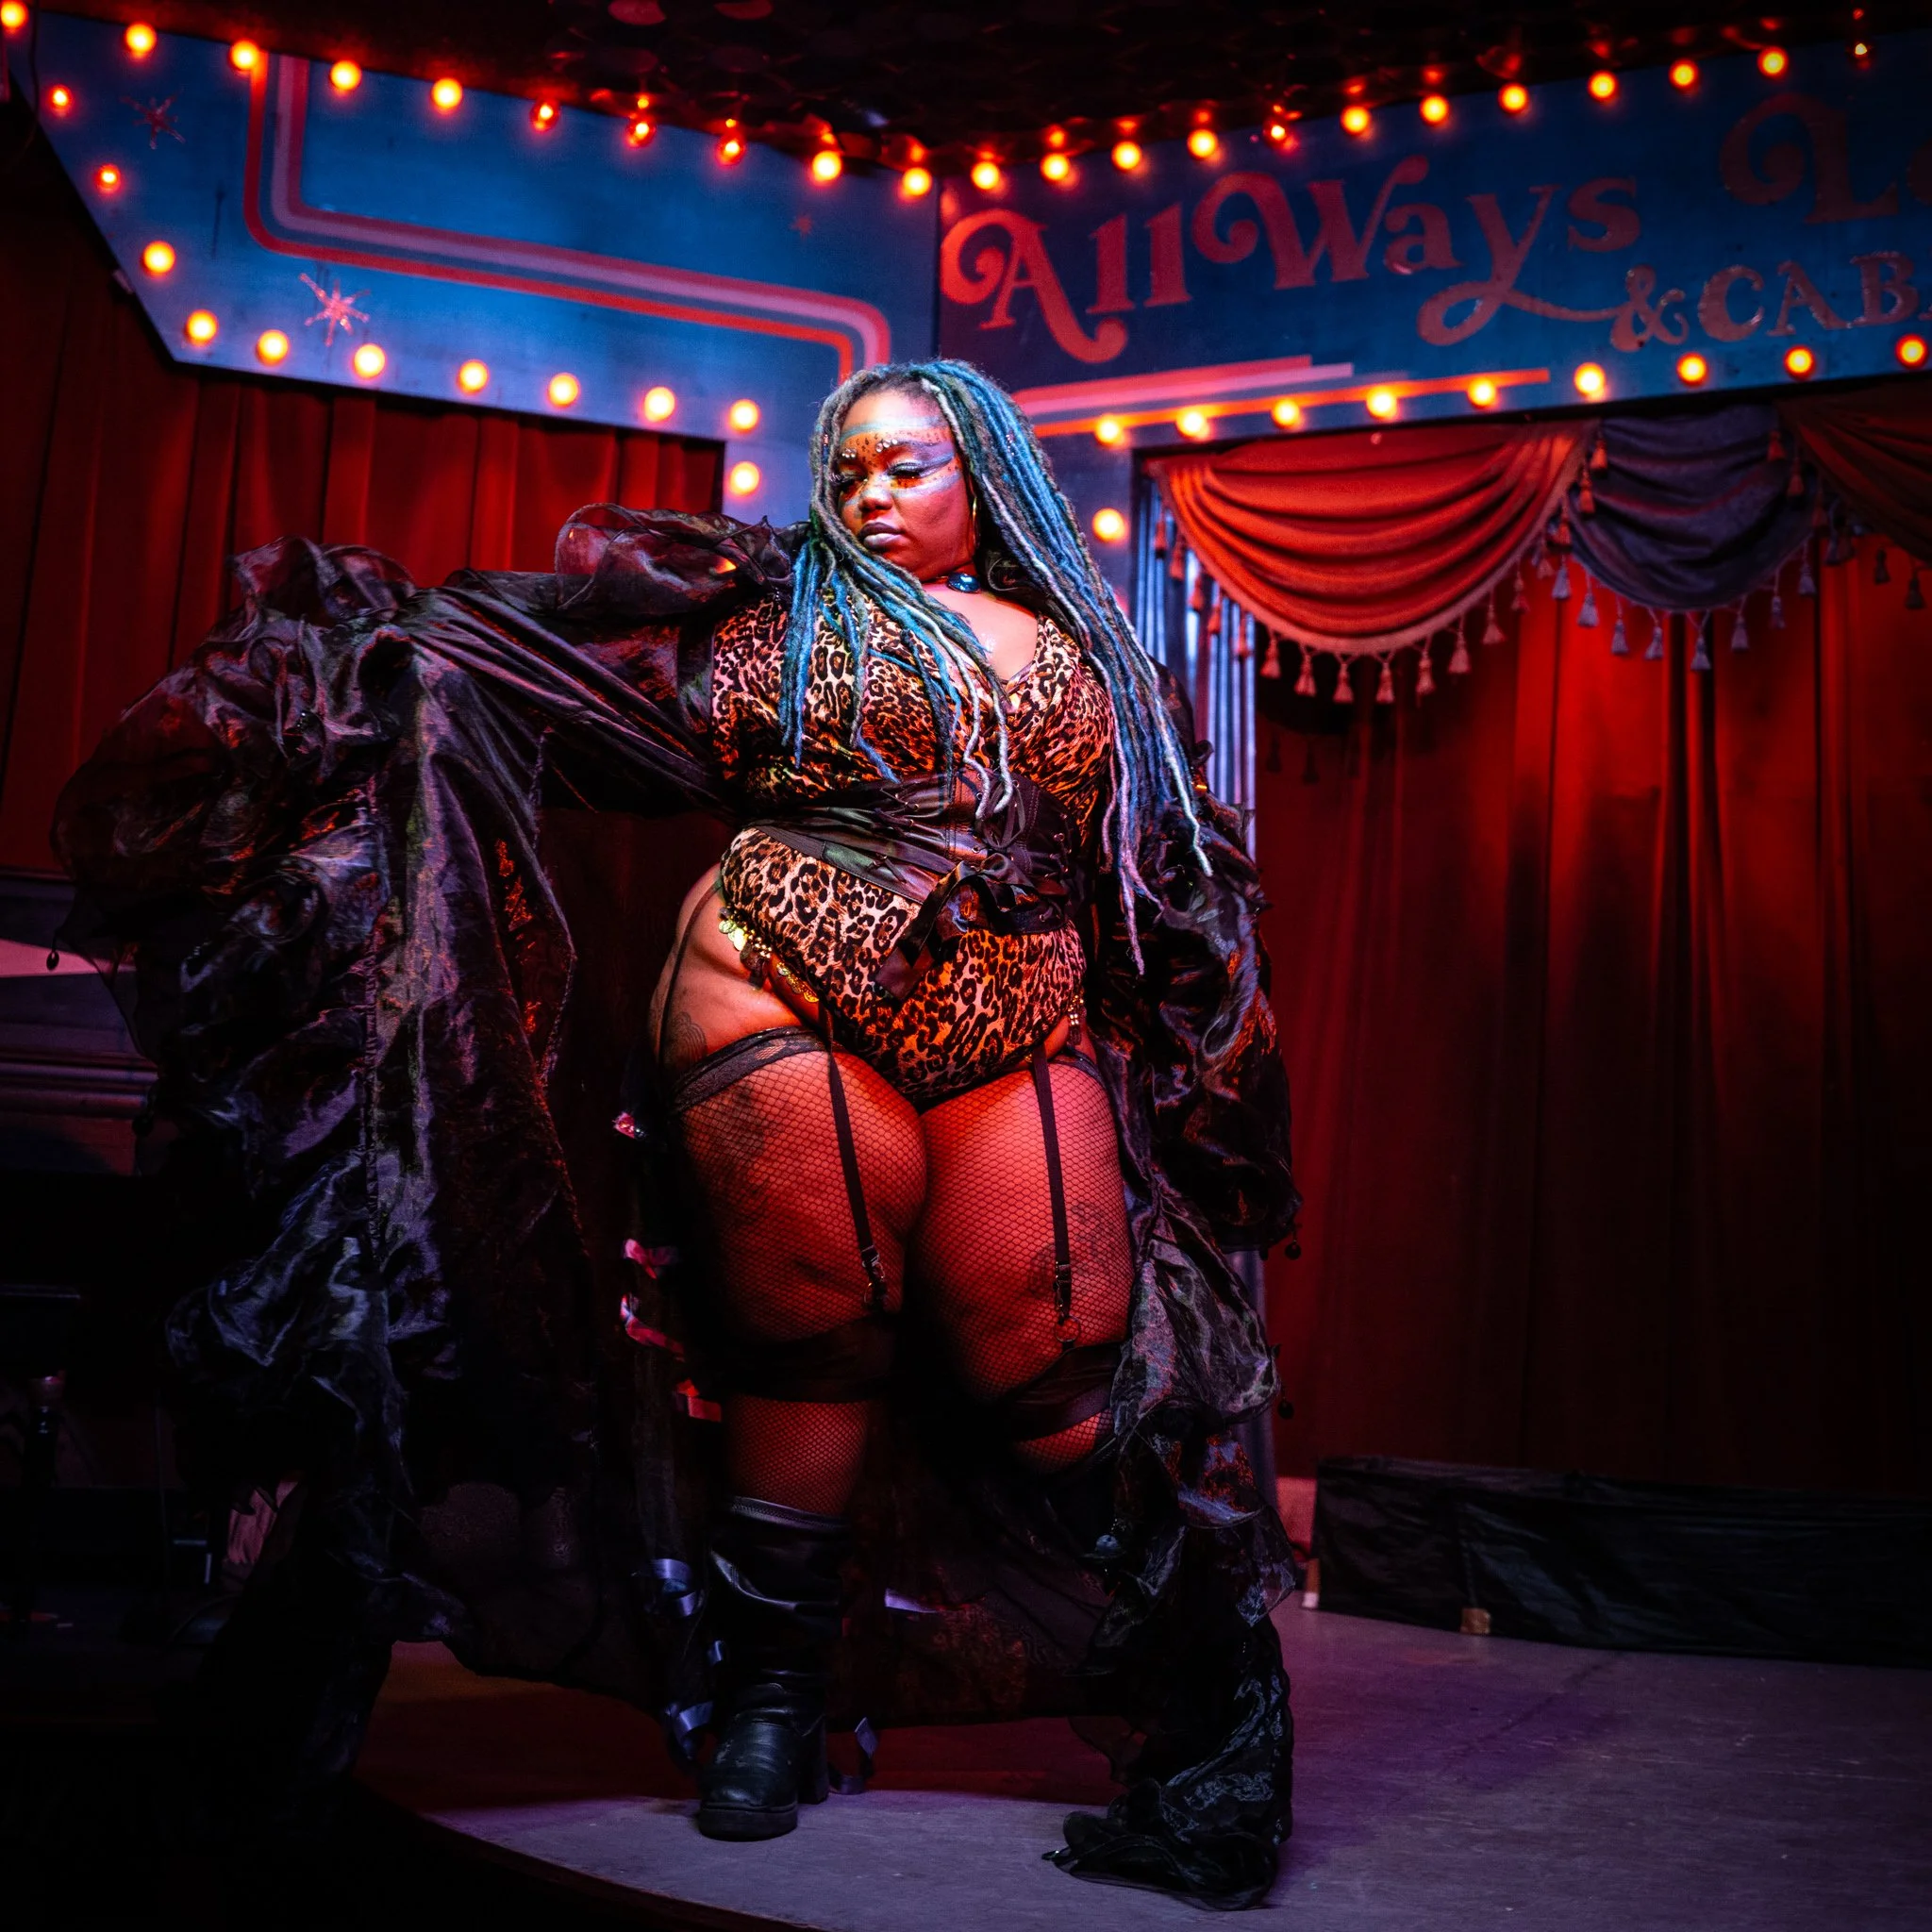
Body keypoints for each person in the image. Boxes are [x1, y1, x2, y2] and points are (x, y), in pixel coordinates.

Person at [53, 358, 1300, 1907]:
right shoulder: (766, 620)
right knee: (815, 1332)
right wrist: (373, 676)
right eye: (849, 470)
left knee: (1050, 1355)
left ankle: (1203, 1685)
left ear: (984, 476)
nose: (871, 495)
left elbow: (1149, 871)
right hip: (779, 980)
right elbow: (522, 680)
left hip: (1014, 1014)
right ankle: (768, 1701)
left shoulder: (1091, 649)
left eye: (907, 466)